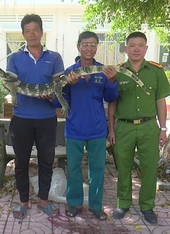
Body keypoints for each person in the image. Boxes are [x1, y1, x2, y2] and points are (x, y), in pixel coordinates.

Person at [0, 14, 64, 219]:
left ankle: (44, 201)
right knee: (21, 162)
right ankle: (23, 201)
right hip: (21, 119)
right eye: (27, 31)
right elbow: (12, 85)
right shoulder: (15, 58)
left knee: (47, 161)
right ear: (23, 34)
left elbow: (58, 89)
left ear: (41, 31)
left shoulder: (54, 57)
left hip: (47, 119)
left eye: (35, 30)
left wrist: (52, 97)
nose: (32, 34)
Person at [108, 31, 170, 224]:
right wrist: (111, 129)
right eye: (132, 45)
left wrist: (163, 129)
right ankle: (123, 203)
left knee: (150, 168)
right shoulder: (117, 72)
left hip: (148, 127)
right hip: (124, 128)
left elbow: (160, 100)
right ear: (126, 48)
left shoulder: (156, 71)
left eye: (140, 45)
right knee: (123, 167)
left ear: (145, 48)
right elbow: (112, 103)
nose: (136, 49)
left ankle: (147, 206)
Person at [52, 31, 119, 220]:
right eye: (85, 44)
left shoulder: (104, 71)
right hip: (74, 129)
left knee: (97, 169)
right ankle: (74, 203)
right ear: (78, 46)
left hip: (97, 129)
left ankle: (96, 206)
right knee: (73, 168)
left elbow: (111, 97)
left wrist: (113, 81)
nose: (89, 48)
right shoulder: (69, 72)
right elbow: (58, 103)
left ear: (97, 47)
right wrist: (65, 86)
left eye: (92, 44)